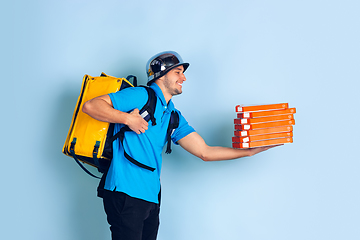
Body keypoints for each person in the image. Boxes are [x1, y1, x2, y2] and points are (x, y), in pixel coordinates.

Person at [82, 51, 276, 240]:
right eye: (178, 72)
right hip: (126, 192)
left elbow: (204, 151)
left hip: (151, 198)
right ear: (161, 75)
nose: (183, 78)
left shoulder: (173, 116)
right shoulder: (140, 95)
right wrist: (127, 119)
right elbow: (91, 106)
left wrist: (249, 152)